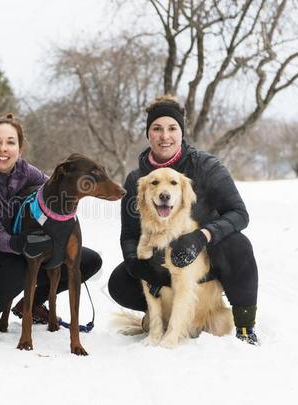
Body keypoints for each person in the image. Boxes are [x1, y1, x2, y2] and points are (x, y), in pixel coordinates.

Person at [108, 95, 259, 344]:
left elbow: (239, 214)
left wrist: (202, 236)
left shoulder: (206, 167)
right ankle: (164, 317)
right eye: (157, 128)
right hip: (160, 263)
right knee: (120, 281)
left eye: (172, 128)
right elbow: (130, 234)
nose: (164, 136)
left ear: (181, 132)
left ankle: (245, 328)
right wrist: (137, 265)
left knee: (238, 244)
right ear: (148, 134)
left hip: (204, 263)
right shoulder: (138, 178)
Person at [0, 113, 103, 342]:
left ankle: (31, 305)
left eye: (10, 142)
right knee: (21, 261)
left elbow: (51, 189)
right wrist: (24, 242)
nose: (3, 148)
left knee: (89, 260)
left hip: (17, 251)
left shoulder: (25, 171)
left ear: (20, 148)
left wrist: (69, 203)